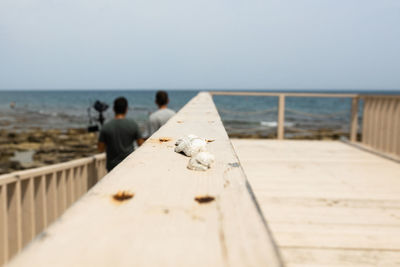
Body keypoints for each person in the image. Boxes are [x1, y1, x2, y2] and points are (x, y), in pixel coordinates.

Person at [98, 97, 144, 172]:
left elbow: (100, 148)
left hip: (112, 167)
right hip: (129, 165)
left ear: (114, 109)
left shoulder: (106, 126)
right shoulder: (133, 124)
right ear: (126, 109)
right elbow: (141, 144)